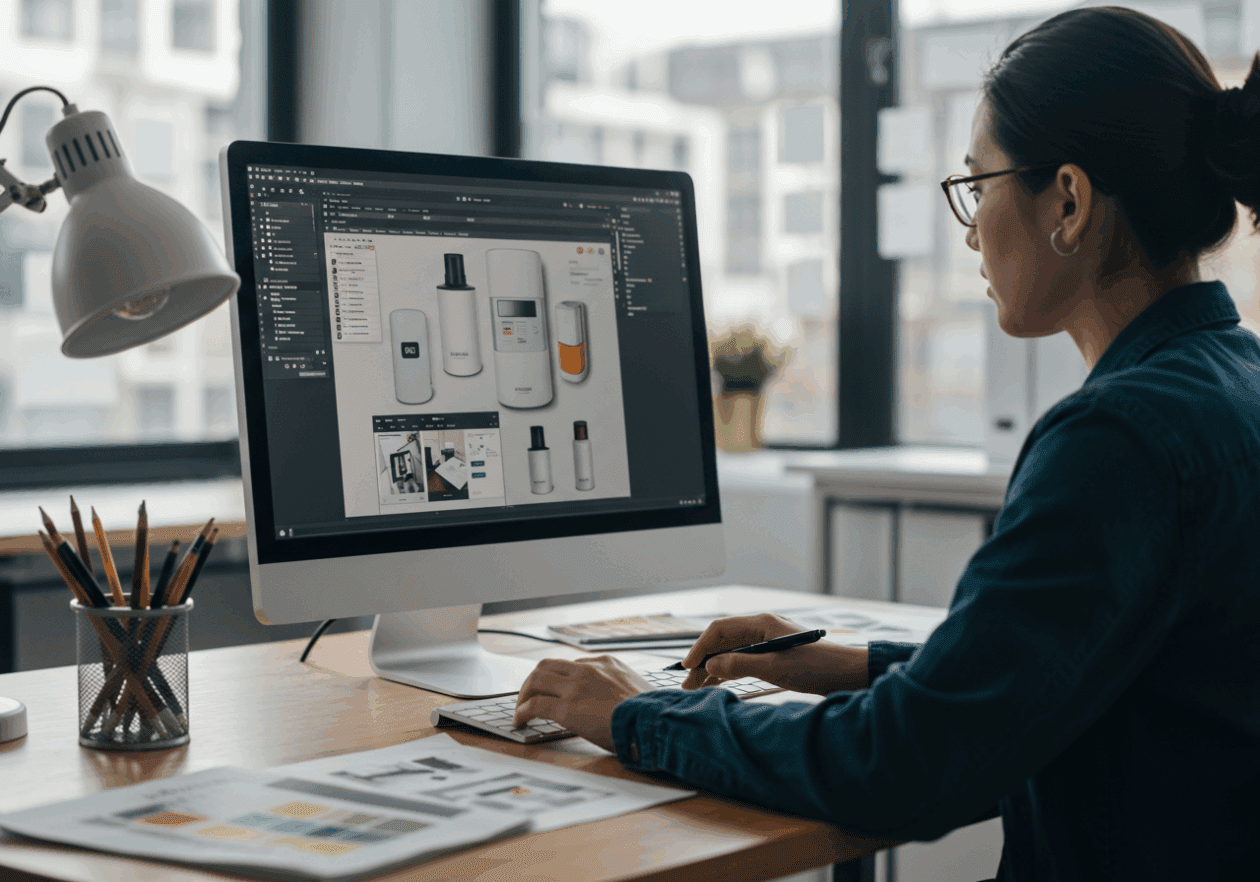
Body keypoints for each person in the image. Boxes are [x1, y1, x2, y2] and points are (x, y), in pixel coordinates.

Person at [512, 7, 1260, 880]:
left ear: (1068, 200)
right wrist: (848, 665)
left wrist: (636, 716)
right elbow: (1082, 665)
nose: (973, 227)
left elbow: (905, 766)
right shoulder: (1228, 385)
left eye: (979, 186)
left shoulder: (1117, 441)